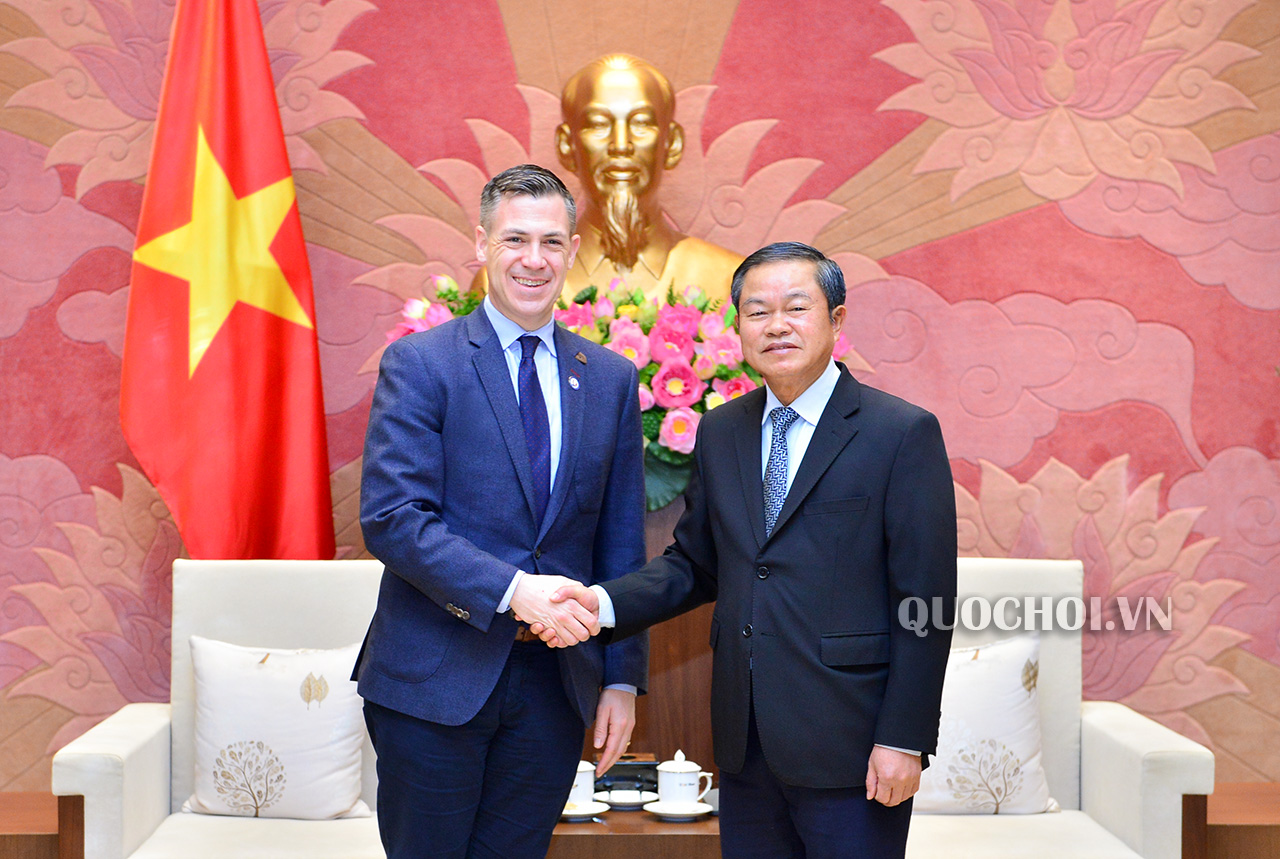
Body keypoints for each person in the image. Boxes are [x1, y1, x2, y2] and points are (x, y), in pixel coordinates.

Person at [542, 242, 956, 858]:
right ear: (738, 327)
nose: (777, 325)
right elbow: (695, 564)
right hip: (745, 741)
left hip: (853, 745)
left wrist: (904, 738)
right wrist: (599, 605)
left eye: (797, 307)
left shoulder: (900, 433)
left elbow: (927, 603)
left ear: (836, 319)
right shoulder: (722, 429)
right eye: (758, 312)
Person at [354, 164, 649, 859]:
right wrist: (516, 591)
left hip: (555, 687)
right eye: (515, 239)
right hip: (434, 679)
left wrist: (621, 677)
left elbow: (620, 541)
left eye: (552, 241)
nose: (533, 259)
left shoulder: (609, 378)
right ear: (482, 244)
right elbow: (393, 516)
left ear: (573, 251)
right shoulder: (422, 364)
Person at [555, 53, 741, 303]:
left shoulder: (728, 279)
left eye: (641, 123)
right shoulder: (521, 284)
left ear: (672, 143)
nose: (621, 145)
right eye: (599, 124)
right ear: (567, 146)